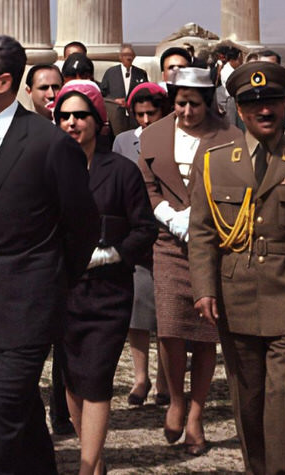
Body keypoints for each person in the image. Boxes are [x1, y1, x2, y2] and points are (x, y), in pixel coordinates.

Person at [0, 35, 99, 475]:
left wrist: (52, 278)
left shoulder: (49, 143)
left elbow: (83, 225)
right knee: (22, 412)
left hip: (32, 302)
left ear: (3, 82)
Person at [190, 61, 285, 475]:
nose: (264, 110)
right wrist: (204, 289)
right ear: (239, 109)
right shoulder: (214, 161)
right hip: (235, 295)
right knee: (248, 399)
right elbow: (202, 232)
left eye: (272, 100)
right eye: (252, 103)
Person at [53, 80, 158, 475]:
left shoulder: (122, 171)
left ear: (98, 121)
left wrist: (114, 253)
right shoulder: (48, 167)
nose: (72, 123)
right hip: (63, 291)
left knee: (96, 379)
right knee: (72, 378)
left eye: (80, 115)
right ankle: (93, 460)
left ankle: (85, 469)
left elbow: (144, 228)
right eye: (64, 116)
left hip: (108, 293)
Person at [138, 65, 236, 454]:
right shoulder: (153, 134)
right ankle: (176, 399)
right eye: (181, 103)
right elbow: (145, 184)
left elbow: (234, 184)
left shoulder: (229, 136)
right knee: (170, 328)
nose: (187, 112)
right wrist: (167, 214)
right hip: (167, 243)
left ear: (209, 102)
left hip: (213, 244)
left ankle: (197, 412)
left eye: (195, 104)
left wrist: (201, 220)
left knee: (205, 331)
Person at [112, 82, 169, 407]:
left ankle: (164, 379)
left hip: (166, 232)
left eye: (152, 113)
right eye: (140, 114)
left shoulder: (172, 140)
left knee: (166, 313)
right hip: (134, 235)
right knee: (138, 311)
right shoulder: (123, 141)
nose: (146, 120)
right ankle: (140, 377)